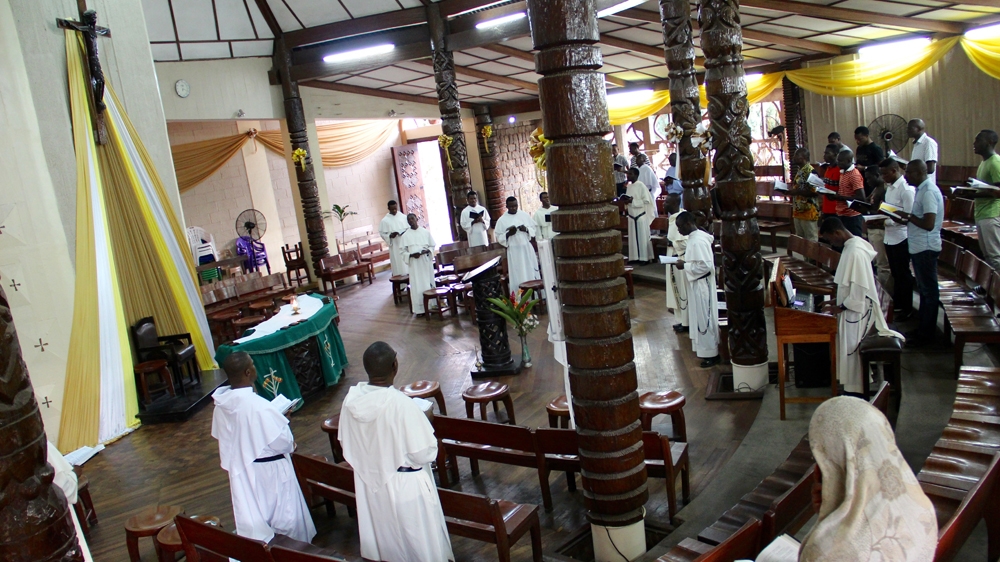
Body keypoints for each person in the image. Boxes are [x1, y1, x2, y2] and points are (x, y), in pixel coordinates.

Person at [338, 342, 454, 562]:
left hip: (370, 484)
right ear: (395, 365)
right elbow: (425, 453)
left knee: (388, 544)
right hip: (406, 487)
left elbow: (346, 442)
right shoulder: (402, 405)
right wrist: (424, 421)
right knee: (418, 547)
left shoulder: (351, 401)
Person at [798, 397, 937, 562]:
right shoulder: (922, 508)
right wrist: (832, 513)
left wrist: (823, 533)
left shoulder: (827, 551)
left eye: (822, 457)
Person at [211, 352, 316, 543]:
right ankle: (292, 552)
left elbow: (229, 435)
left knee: (255, 519)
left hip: (243, 470)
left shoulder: (221, 405)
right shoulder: (258, 406)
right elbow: (283, 443)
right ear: (248, 372)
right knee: (284, 518)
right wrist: (283, 423)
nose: (255, 367)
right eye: (253, 364)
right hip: (270, 472)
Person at [819, 218, 903, 396]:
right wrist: (836, 302)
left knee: (851, 351)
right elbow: (850, 284)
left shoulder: (855, 252)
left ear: (837, 233)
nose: (831, 243)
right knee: (847, 349)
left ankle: (856, 392)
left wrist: (841, 307)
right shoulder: (852, 245)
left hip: (857, 312)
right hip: (852, 307)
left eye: (829, 239)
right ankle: (851, 389)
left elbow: (858, 290)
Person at [897, 159, 943, 346]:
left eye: (909, 172)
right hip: (919, 247)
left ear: (919, 173)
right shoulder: (921, 190)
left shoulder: (929, 192)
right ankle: (922, 329)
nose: (906, 175)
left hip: (926, 248)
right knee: (924, 291)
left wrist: (908, 217)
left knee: (929, 293)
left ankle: (927, 335)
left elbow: (929, 224)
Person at [675, 211, 720, 367]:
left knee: (705, 318)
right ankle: (705, 351)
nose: (679, 230)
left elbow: (705, 266)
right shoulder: (695, 238)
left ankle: (712, 354)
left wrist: (685, 265)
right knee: (700, 318)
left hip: (702, 285)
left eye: (680, 227)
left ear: (689, 224)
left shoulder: (698, 241)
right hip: (698, 284)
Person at [878, 158, 916, 319]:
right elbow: (889, 210)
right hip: (889, 237)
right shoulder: (890, 188)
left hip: (901, 237)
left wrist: (885, 221)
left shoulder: (906, 189)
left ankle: (906, 308)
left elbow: (909, 217)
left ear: (894, 170)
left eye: (885, 174)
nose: (883, 177)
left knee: (903, 275)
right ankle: (898, 304)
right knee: (895, 273)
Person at [495, 196, 541, 293]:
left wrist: (526, 229)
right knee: (517, 274)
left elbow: (533, 229)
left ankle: (534, 295)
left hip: (526, 248)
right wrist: (508, 234)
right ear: (507, 206)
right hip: (514, 251)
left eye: (515, 206)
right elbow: (499, 237)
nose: (514, 208)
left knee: (530, 271)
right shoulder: (502, 220)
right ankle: (519, 297)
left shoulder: (524, 215)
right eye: (511, 206)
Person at [973, 129, 1000, 271]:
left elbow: (998, 191)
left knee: (996, 257)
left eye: (978, 140)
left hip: (992, 214)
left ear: (989, 142)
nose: (974, 143)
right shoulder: (984, 162)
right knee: (988, 257)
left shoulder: (995, 162)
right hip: (982, 214)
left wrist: (972, 194)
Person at [399, 213, 436, 315]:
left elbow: (432, 246)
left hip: (425, 262)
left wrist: (426, 251)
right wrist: (411, 255)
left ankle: (431, 306)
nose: (411, 221)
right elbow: (402, 252)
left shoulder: (425, 232)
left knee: (428, 282)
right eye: (409, 220)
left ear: (417, 219)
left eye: (412, 218)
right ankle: (420, 310)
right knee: (417, 285)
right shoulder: (405, 236)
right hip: (414, 264)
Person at [863, 168, 892, 290]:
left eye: (869, 178)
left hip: (880, 230)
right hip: (872, 228)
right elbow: (868, 202)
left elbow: (885, 212)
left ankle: (885, 294)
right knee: (877, 263)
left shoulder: (884, 190)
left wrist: (869, 211)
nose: (867, 181)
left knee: (882, 265)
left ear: (877, 175)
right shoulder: (876, 188)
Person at [664, 194, 689, 334]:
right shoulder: (672, 218)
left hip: (680, 259)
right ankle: (681, 320)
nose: (664, 204)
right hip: (671, 258)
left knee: (682, 291)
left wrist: (671, 243)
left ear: (674, 203)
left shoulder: (682, 219)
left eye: (667, 202)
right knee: (676, 290)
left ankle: (687, 322)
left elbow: (687, 241)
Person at [828, 148, 865, 238]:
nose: (838, 163)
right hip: (842, 213)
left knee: (854, 241)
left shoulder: (854, 175)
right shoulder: (843, 172)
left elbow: (861, 198)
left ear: (848, 161)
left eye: (840, 161)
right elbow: (845, 191)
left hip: (852, 216)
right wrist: (834, 196)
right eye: (838, 160)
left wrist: (840, 197)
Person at [787, 147, 820, 241]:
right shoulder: (800, 171)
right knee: (800, 240)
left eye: (797, 155)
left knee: (811, 239)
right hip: (798, 210)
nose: (794, 157)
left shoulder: (811, 171)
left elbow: (815, 191)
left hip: (809, 211)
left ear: (804, 157)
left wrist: (797, 191)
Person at [623, 167, 656, 263]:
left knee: (642, 238)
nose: (628, 175)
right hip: (631, 215)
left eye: (630, 174)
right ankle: (634, 257)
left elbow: (646, 201)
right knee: (633, 238)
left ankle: (644, 258)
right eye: (628, 174)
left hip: (640, 215)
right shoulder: (629, 187)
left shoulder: (641, 185)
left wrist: (632, 201)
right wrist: (626, 201)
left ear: (636, 175)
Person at [378, 200, 409, 277]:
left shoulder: (403, 217)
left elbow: (409, 229)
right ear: (388, 208)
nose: (394, 210)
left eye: (395, 208)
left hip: (404, 243)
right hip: (395, 245)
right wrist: (390, 236)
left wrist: (404, 233)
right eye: (392, 209)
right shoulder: (385, 221)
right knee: (397, 262)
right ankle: (400, 280)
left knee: (407, 262)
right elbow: (382, 233)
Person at [908, 119, 939, 188]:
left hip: (926, 186)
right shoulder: (917, 144)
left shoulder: (928, 143)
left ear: (919, 129)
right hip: (917, 185)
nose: (907, 131)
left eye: (910, 128)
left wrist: (913, 172)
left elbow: (930, 169)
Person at [854, 125, 884, 193]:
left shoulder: (876, 148)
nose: (858, 142)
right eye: (856, 139)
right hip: (860, 179)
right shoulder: (859, 148)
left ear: (866, 136)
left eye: (860, 139)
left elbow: (881, 166)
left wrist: (865, 168)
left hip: (871, 181)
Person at [819, 144, 842, 221]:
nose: (824, 156)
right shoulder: (828, 168)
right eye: (824, 153)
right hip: (826, 208)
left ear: (835, 154)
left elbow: (843, 190)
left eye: (827, 153)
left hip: (836, 209)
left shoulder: (840, 170)